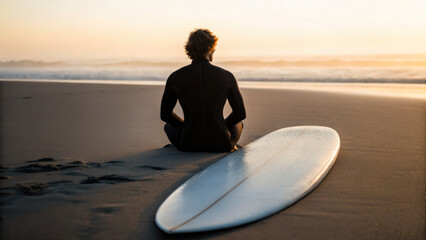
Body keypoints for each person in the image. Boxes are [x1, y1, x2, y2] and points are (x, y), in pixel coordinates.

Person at [160, 29, 246, 152]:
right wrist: (221, 128)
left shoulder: (175, 77)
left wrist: (186, 127)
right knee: (239, 123)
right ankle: (232, 145)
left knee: (168, 127)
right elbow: (240, 114)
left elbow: (165, 115)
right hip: (221, 143)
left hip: (188, 143)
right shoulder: (227, 76)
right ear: (210, 48)